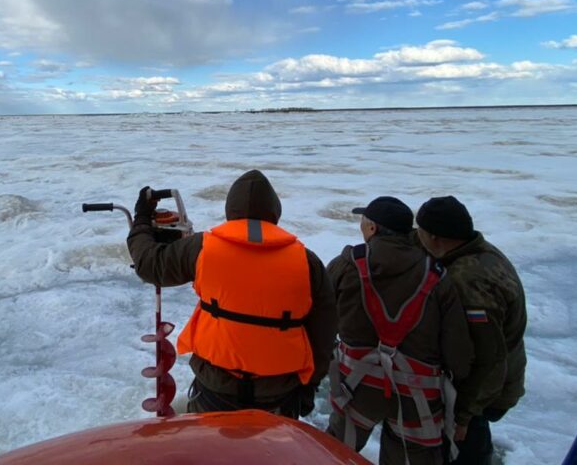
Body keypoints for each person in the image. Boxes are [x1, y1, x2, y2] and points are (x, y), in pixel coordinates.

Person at [126, 169, 335, 418]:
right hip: (279, 395)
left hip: (214, 391)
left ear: (230, 211)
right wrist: (309, 387)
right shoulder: (307, 262)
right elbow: (324, 332)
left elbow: (150, 265)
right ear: (274, 212)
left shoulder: (202, 248)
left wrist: (141, 220)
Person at [327, 196, 473, 465]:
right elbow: (458, 352)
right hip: (417, 395)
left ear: (372, 228)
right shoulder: (437, 275)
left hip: (357, 389)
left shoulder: (348, 264)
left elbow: (322, 316)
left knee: (334, 454)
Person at [415, 196, 527, 465]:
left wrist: (463, 416)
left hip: (482, 393)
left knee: (465, 449)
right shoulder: (477, 252)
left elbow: (487, 357)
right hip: (492, 381)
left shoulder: (468, 282)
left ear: (434, 237)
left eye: (419, 231)